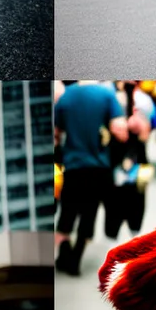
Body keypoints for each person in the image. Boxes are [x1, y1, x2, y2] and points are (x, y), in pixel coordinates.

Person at [53, 79, 119, 275]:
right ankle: (76, 258)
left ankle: (64, 253)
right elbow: (119, 128)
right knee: (89, 214)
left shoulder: (66, 96)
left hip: (73, 166)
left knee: (67, 214)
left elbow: (56, 132)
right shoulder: (107, 95)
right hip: (99, 167)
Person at [102, 82, 153, 243]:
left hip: (133, 159)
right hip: (117, 159)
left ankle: (128, 232)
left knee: (133, 202)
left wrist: (140, 125)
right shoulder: (110, 96)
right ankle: (117, 233)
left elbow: (147, 130)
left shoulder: (142, 101)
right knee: (115, 202)